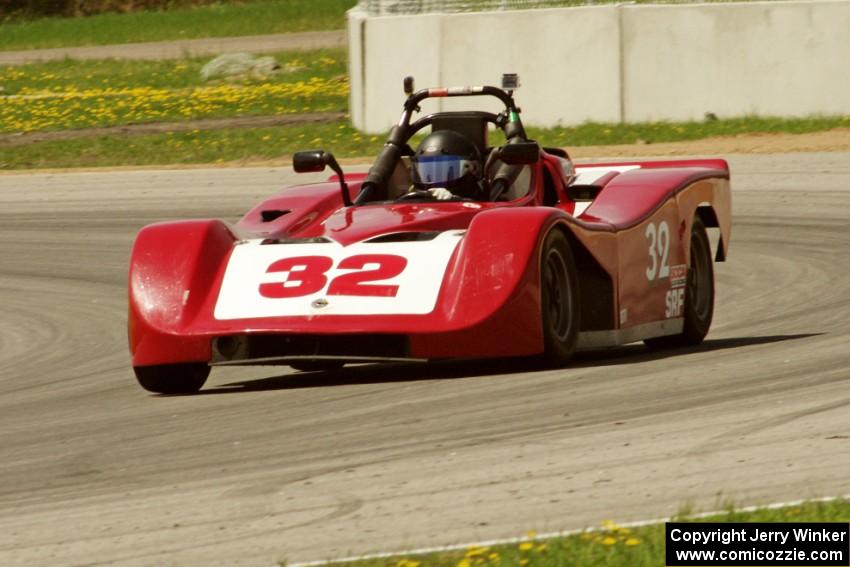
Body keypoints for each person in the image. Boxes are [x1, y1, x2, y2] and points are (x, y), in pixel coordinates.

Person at [409, 130, 485, 200]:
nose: (435, 187)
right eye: (428, 171)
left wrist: (454, 201)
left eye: (441, 172)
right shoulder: (408, 202)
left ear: (473, 169)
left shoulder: (482, 208)